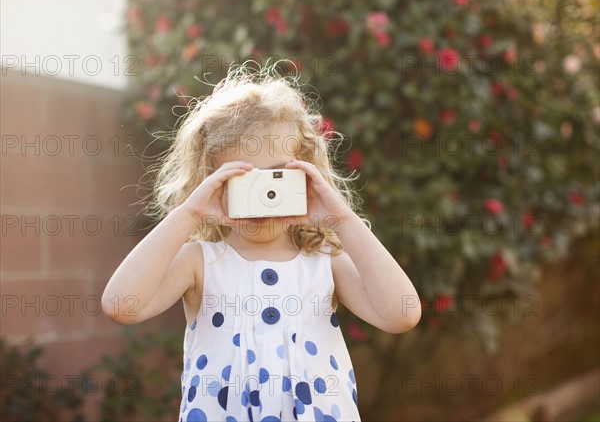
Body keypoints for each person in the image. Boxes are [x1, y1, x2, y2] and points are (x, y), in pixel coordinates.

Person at [102, 61, 421, 422]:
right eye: (243, 179)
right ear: (212, 182)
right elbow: (120, 305)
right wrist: (188, 213)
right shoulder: (201, 262)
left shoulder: (325, 261)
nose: (264, 194)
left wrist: (343, 220)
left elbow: (402, 313)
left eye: (277, 177)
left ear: (306, 174)